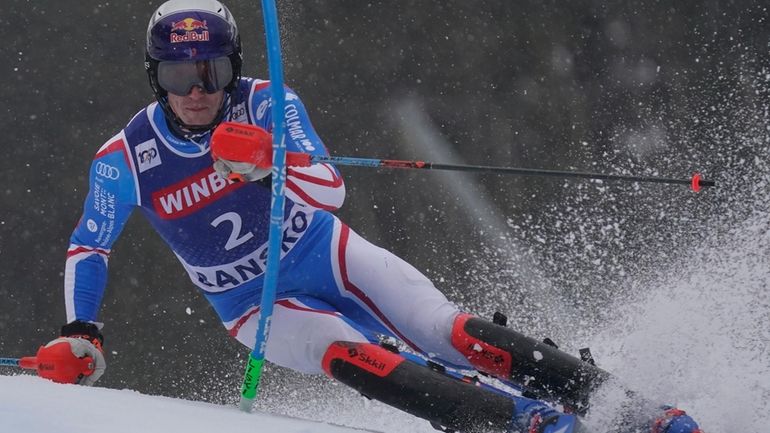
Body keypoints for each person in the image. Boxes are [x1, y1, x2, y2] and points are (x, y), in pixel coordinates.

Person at [35, 1, 702, 432]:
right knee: (357, 354)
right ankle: (528, 424)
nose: (199, 92)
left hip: (327, 250)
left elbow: (328, 190)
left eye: (210, 71)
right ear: (158, 80)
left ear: (232, 67)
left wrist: (271, 163)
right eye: (180, 78)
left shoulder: (268, 104)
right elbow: (89, 247)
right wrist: (82, 331)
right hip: (255, 306)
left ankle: (645, 414)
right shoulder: (127, 155)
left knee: (450, 331)